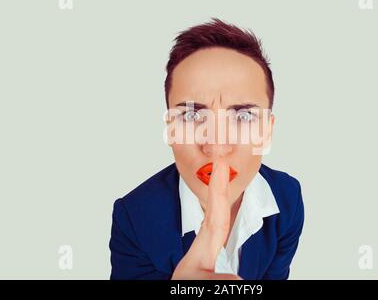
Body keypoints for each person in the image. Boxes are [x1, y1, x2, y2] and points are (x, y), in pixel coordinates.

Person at [109, 18, 305, 280]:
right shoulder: (135, 218)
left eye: (244, 116)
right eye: (191, 116)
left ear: (267, 131)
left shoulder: (287, 199)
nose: (215, 146)